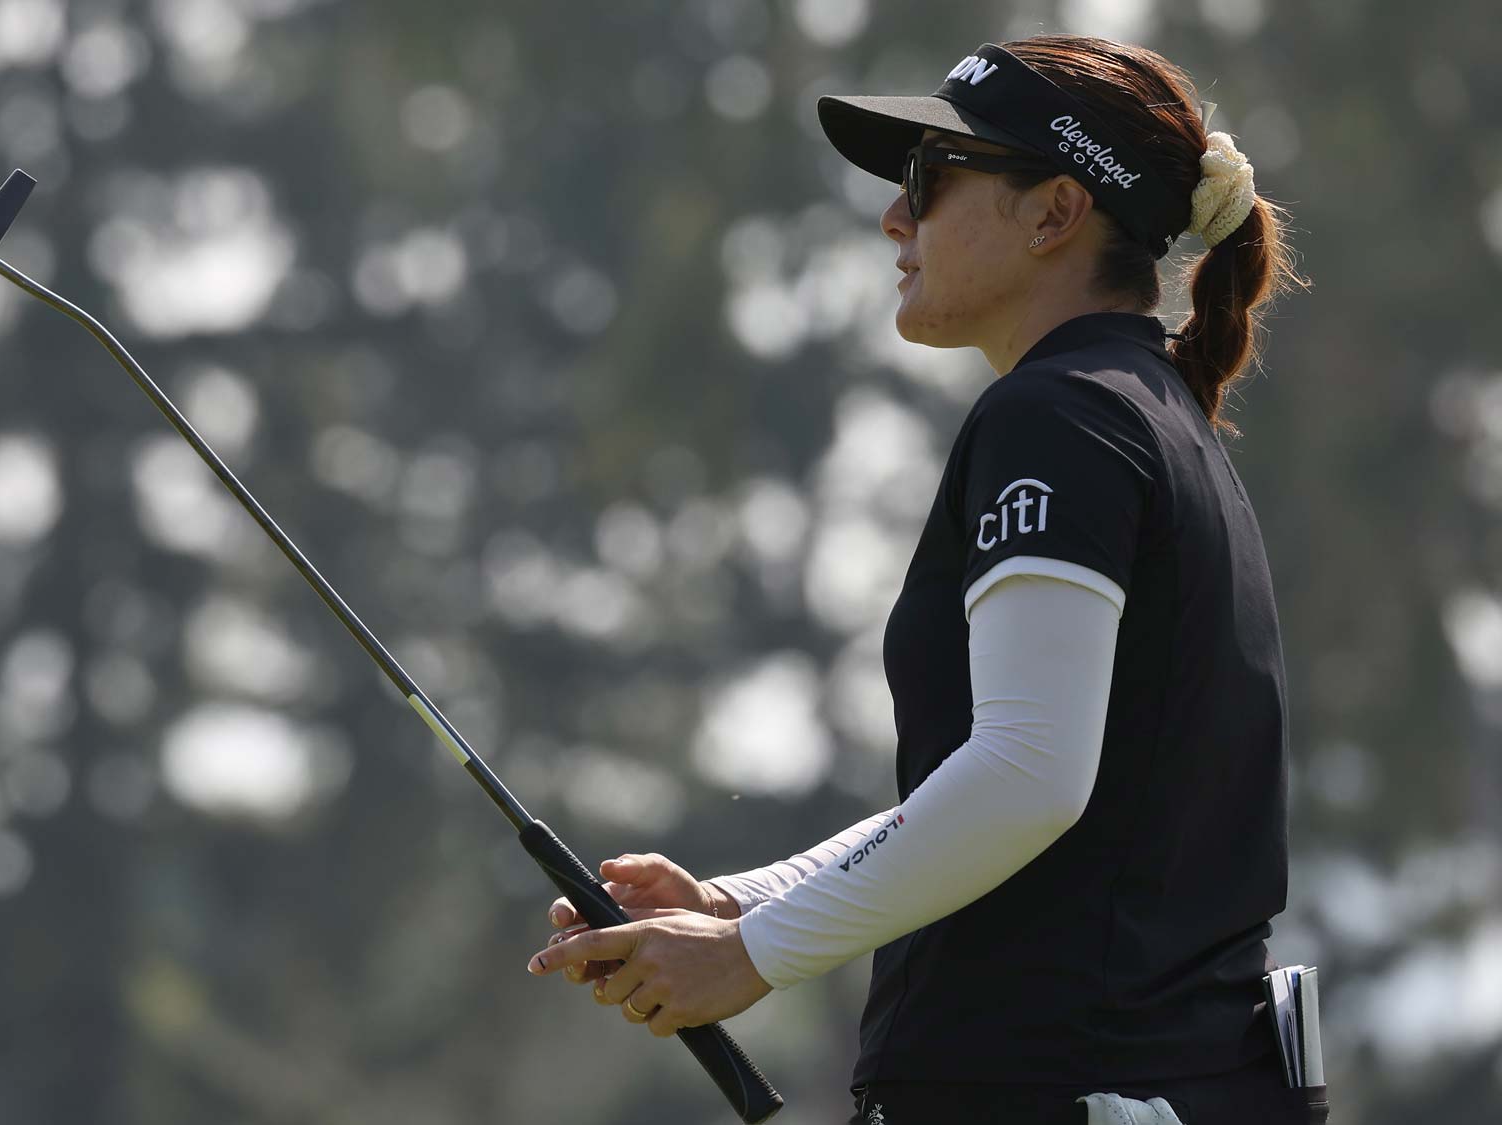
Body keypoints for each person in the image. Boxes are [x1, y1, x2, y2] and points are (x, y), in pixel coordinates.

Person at [526, 34, 1322, 1125]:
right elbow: (997, 777)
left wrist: (748, 956)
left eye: (931, 180)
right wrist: (736, 903)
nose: (894, 218)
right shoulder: (1137, 409)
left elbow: (1025, 774)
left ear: (1052, 213)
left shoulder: (1061, 415)